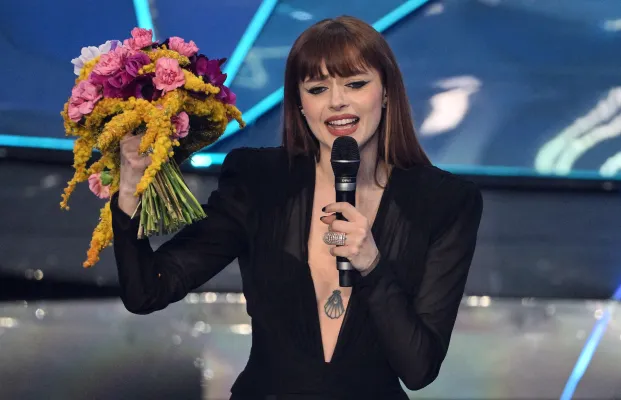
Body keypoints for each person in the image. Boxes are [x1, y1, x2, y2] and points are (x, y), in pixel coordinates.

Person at [111, 15, 483, 400]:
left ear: (386, 91)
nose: (337, 101)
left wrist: (371, 265)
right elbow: (148, 291)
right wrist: (130, 190)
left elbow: (419, 368)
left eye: (355, 84)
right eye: (318, 89)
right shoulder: (259, 181)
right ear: (300, 104)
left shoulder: (445, 202)